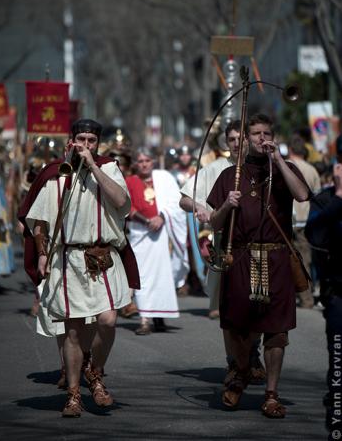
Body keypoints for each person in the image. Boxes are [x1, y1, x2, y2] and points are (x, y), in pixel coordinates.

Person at [18, 118, 140, 417]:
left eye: (92, 140)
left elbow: (122, 202)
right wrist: (44, 254)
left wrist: (94, 167)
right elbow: (40, 222)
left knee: (108, 320)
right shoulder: (55, 174)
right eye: (81, 139)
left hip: (102, 255)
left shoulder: (109, 168)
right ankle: (74, 394)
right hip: (69, 258)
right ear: (71, 140)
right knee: (73, 330)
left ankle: (95, 373)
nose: (86, 145)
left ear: (98, 143)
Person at [207, 113, 309, 418]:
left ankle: (271, 394)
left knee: (277, 333)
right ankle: (239, 374)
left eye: (266, 133)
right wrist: (228, 204)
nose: (261, 139)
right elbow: (214, 220)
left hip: (277, 258)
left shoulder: (285, 168)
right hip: (240, 257)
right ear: (246, 138)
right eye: (256, 134)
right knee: (239, 326)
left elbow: (303, 195)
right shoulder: (230, 175)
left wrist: (278, 160)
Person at [179, 120, 266, 385]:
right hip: (226, 247)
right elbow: (184, 198)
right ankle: (234, 362)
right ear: (225, 143)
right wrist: (199, 208)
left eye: (242, 138)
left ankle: (252, 353)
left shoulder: (262, 169)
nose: (238, 144)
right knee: (229, 309)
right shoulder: (214, 169)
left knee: (259, 305)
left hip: (258, 249)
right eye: (232, 139)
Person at [126, 147, 187, 335]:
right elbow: (128, 207)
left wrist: (161, 217)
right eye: (140, 161)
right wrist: (148, 222)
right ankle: (144, 320)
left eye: (147, 160)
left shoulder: (163, 179)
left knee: (161, 276)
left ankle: (159, 317)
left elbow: (176, 202)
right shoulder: (130, 181)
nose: (144, 164)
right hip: (140, 233)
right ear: (136, 164)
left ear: (152, 162)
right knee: (143, 277)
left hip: (161, 233)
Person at [305, 160, 342, 436]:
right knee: (338, 363)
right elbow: (314, 233)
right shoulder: (326, 200)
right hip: (338, 293)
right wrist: (339, 198)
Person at [288, 135, 321, 308]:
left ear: (291, 149)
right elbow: (318, 196)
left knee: (284, 260)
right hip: (306, 221)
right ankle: (307, 299)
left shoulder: (285, 166)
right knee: (304, 260)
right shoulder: (312, 170)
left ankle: (286, 298)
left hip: (286, 221)